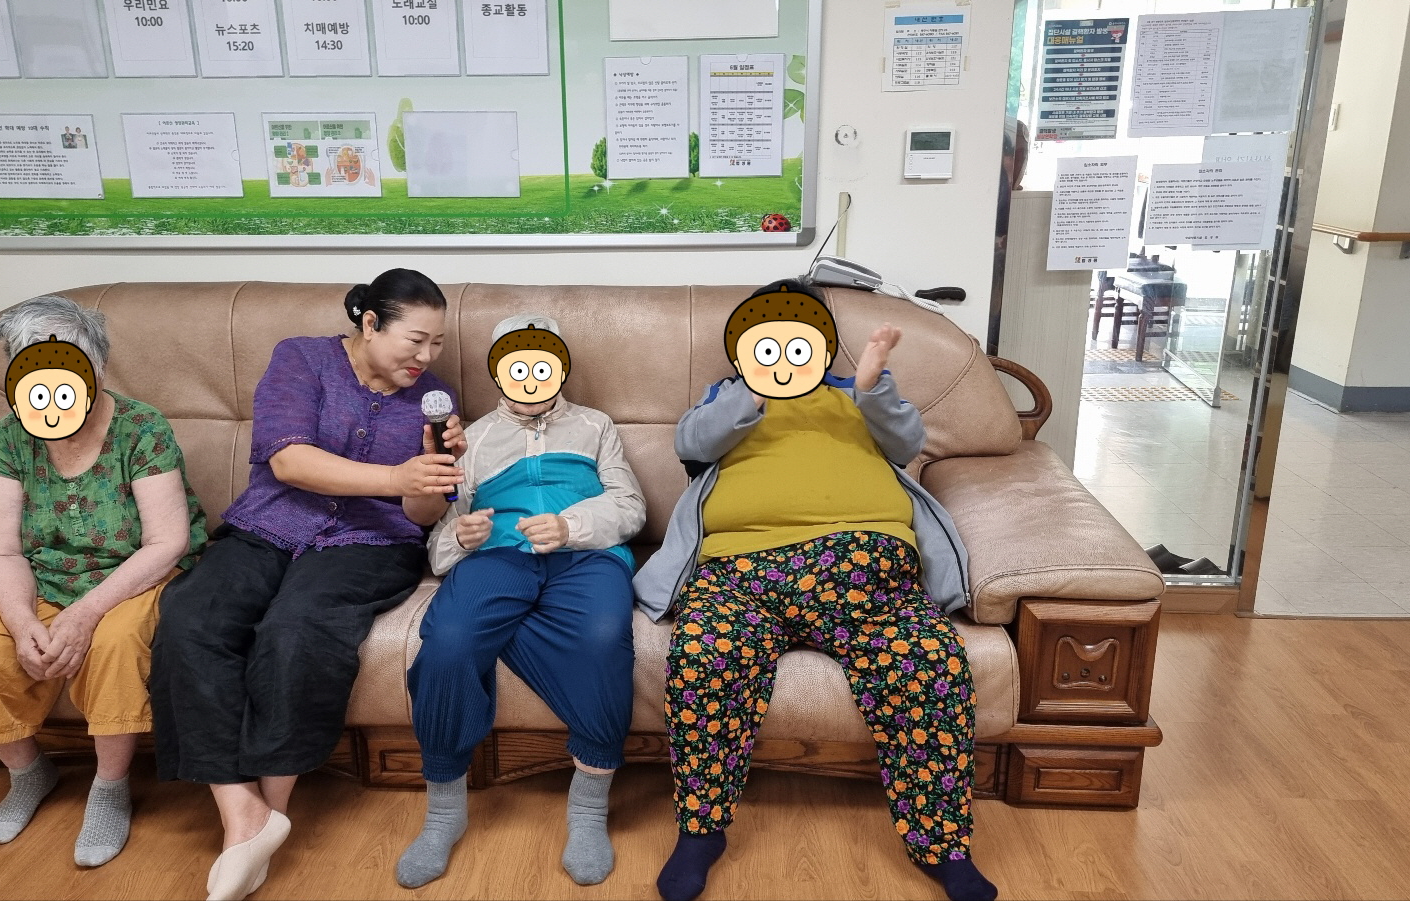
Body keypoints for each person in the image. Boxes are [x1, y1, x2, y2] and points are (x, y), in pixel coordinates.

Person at [633, 278, 998, 901]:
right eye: (764, 345)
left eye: (797, 343)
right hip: (740, 572)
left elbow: (907, 444)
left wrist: (873, 385)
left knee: (930, 662)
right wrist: (750, 389)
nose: (782, 357)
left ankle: (944, 846)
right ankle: (701, 832)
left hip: (868, 571)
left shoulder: (859, 395)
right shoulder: (726, 397)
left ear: (824, 348)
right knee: (704, 656)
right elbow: (690, 445)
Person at [150, 268, 467, 901]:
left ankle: (270, 811)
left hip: (372, 543)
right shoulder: (301, 359)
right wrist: (395, 477)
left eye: (437, 343)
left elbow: (422, 516)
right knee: (190, 619)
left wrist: (436, 472)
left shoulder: (435, 399)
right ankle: (242, 816)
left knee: (298, 630)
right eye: (416, 340)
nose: (427, 357)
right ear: (369, 323)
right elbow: (288, 460)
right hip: (270, 525)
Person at [0, 294, 208, 868]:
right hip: (42, 576)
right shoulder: (8, 437)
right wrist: (21, 620)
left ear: (98, 367)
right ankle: (27, 774)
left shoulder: (141, 427)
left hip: (133, 573)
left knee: (114, 645)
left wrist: (86, 613)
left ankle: (109, 788)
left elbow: (167, 541)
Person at [397, 315, 646, 890]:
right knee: (450, 641)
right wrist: (460, 538)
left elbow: (631, 506)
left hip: (585, 557)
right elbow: (445, 529)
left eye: (542, 364)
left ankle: (588, 809)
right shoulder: (473, 439)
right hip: (498, 558)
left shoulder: (596, 425)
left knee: (603, 637)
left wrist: (571, 525)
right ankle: (444, 812)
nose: (531, 378)